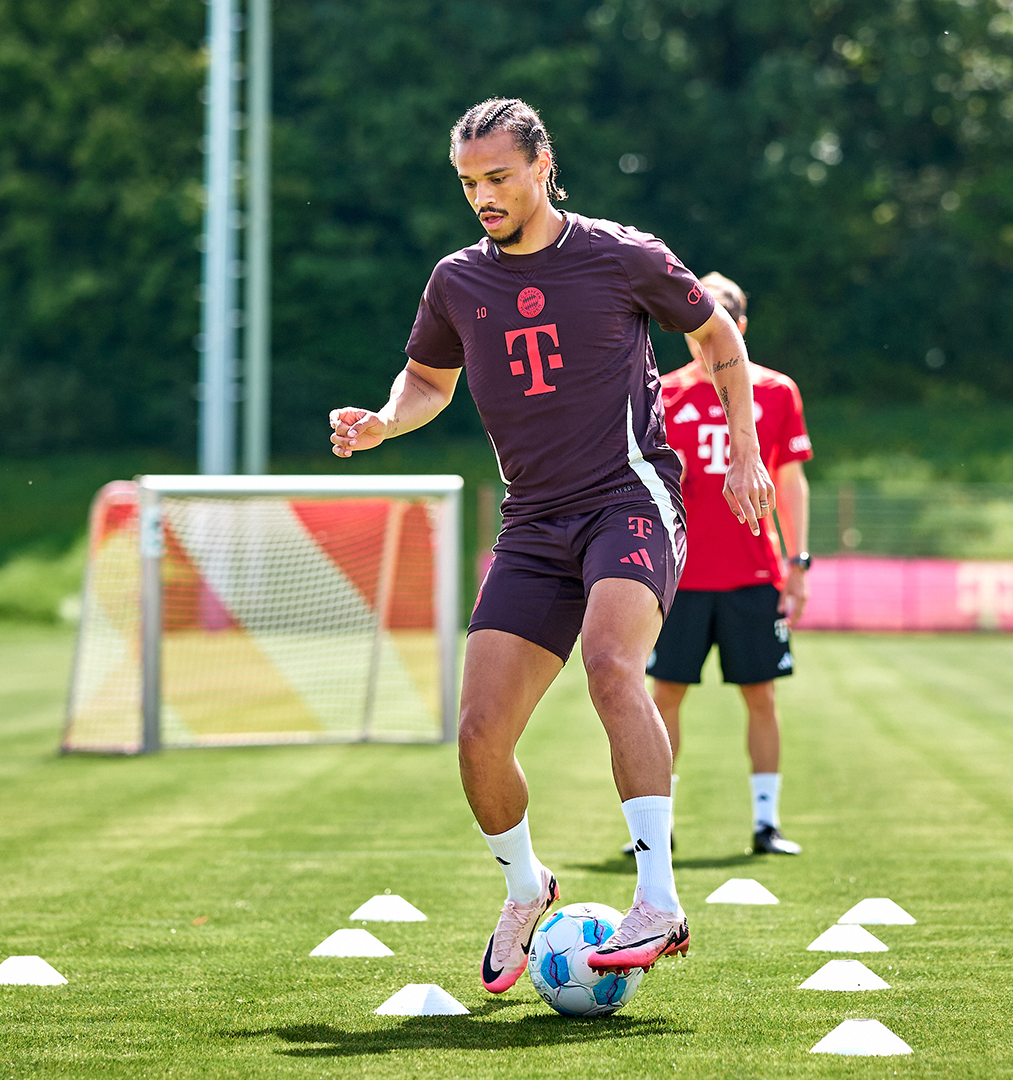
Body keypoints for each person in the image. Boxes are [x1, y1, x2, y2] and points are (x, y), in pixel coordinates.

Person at [328, 98, 773, 990]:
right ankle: (526, 886)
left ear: (542, 167)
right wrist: (384, 421)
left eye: (497, 177)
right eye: (468, 183)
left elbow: (715, 333)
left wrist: (746, 456)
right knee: (479, 736)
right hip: (532, 524)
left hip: (629, 499)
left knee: (615, 664)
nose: (482, 196)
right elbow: (427, 377)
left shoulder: (620, 254)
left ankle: (658, 902)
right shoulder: (457, 279)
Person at [636, 272, 813, 857]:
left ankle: (767, 823)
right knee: (664, 697)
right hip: (680, 576)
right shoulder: (662, 392)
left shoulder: (776, 392)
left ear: (738, 328)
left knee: (761, 696)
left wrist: (797, 563)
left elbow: (790, 482)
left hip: (752, 573)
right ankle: (654, 828)